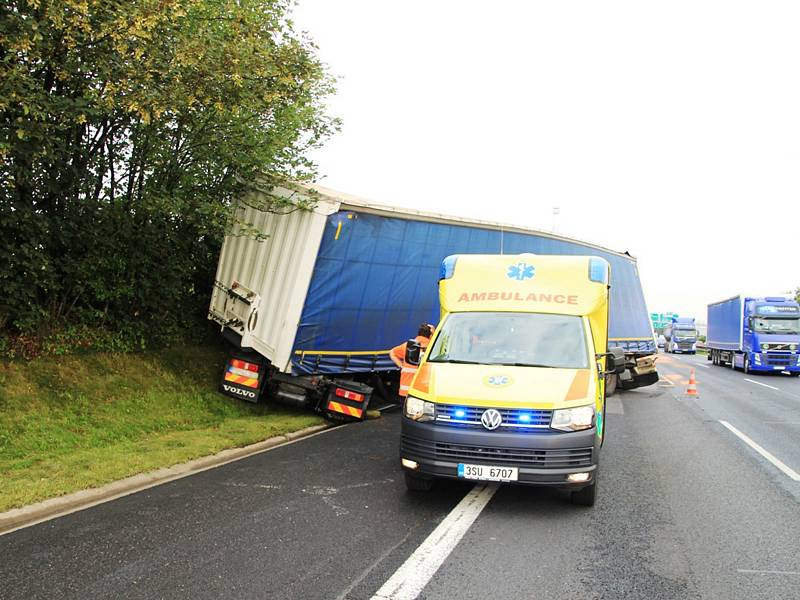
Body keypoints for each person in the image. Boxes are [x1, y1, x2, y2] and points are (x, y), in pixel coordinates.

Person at [390, 323, 435, 399]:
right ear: (430, 335)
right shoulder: (433, 347)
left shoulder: (407, 345)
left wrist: (401, 366)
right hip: (423, 392)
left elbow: (392, 352)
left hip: (405, 391)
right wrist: (434, 333)